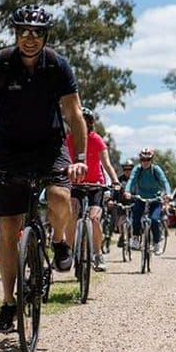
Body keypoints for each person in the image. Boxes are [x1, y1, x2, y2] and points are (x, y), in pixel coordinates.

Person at [0, 4, 88, 334]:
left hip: (50, 148)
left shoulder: (56, 65)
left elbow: (74, 114)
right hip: (9, 151)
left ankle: (62, 243)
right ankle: (9, 303)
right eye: (23, 31)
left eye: (37, 33)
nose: (30, 38)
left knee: (59, 196)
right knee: (8, 228)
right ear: (15, 33)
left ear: (45, 36)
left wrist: (78, 157)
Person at [65, 107, 120, 272]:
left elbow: (106, 163)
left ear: (90, 123)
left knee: (95, 218)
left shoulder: (96, 140)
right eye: (80, 120)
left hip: (96, 185)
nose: (83, 123)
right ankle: (67, 252)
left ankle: (97, 254)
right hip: (75, 184)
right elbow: (63, 161)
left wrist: (116, 181)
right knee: (72, 213)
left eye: (86, 120)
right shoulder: (69, 139)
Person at [122, 148, 171, 255]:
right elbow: (131, 180)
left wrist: (167, 193)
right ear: (140, 160)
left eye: (147, 159)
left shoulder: (156, 169)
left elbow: (164, 182)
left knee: (154, 220)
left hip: (155, 199)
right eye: (143, 159)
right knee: (136, 215)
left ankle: (157, 243)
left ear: (151, 160)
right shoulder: (137, 169)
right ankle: (135, 238)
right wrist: (127, 191)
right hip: (141, 198)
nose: (145, 162)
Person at [115, 160, 134, 248]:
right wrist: (112, 200)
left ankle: (137, 237)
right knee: (120, 222)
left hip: (135, 203)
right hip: (123, 204)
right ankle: (122, 236)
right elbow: (114, 192)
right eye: (125, 169)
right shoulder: (119, 180)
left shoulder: (136, 179)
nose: (127, 171)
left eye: (129, 169)